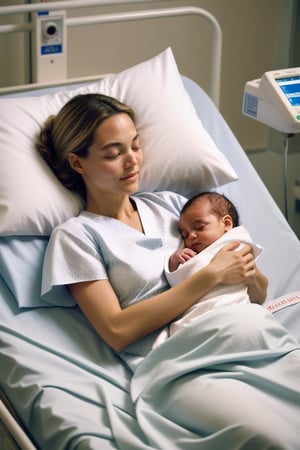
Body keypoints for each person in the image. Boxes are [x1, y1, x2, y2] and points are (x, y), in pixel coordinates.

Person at [37, 93, 300, 449]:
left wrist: (247, 272)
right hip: (181, 362)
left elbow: (256, 292)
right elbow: (116, 330)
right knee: (271, 437)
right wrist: (209, 276)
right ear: (78, 163)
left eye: (135, 146)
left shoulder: (174, 206)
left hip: (250, 335)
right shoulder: (77, 236)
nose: (132, 161)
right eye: (114, 154)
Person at [153, 192, 264, 347]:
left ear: (226, 224)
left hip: (234, 309)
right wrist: (174, 262)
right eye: (184, 234)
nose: (191, 236)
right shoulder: (192, 256)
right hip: (200, 316)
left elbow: (251, 269)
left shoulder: (237, 241)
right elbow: (177, 285)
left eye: (199, 227)